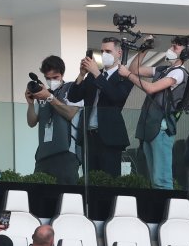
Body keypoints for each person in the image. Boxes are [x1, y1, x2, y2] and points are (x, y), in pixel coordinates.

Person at [118, 35, 189, 189]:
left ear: (186, 53)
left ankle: (167, 211)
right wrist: (145, 49)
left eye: (175, 47)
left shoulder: (179, 73)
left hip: (162, 129)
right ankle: (159, 210)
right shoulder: (164, 69)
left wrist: (127, 75)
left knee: (162, 179)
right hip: (151, 127)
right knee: (155, 180)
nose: (171, 49)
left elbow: (151, 87)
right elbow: (135, 69)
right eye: (172, 45)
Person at [67, 37, 133, 177]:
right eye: (102, 51)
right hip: (89, 136)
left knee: (109, 180)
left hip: (109, 137)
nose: (104, 55)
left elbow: (116, 97)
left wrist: (96, 73)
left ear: (119, 53)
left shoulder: (124, 76)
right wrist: (82, 74)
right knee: (89, 180)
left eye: (108, 51)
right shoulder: (92, 76)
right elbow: (73, 97)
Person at [25, 55, 81, 184]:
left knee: (66, 197)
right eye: (48, 78)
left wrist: (49, 97)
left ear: (62, 74)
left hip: (66, 153)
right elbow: (32, 122)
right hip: (44, 154)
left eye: (55, 77)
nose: (51, 81)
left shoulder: (72, 89)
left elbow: (70, 114)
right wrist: (30, 103)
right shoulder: (43, 93)